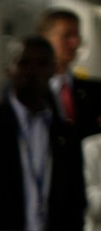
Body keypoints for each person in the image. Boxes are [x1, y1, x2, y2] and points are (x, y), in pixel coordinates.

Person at [0, 36, 86, 231]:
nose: (33, 72)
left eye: (42, 64)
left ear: (53, 70)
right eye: (24, 63)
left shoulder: (66, 134)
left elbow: (75, 202)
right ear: (9, 69)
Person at [37, 7, 101, 139]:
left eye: (76, 35)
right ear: (45, 39)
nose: (75, 43)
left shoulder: (94, 90)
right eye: (67, 36)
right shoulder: (31, 92)